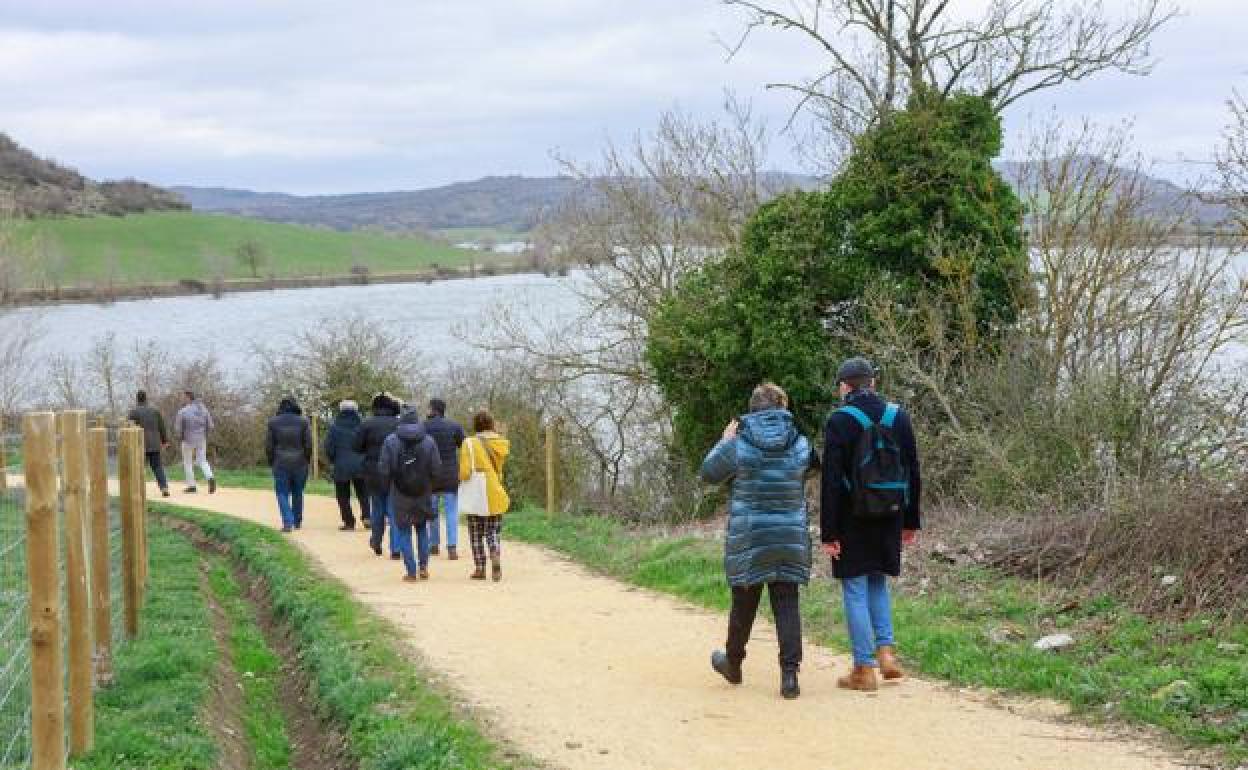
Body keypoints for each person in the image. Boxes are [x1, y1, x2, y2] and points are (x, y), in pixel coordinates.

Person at [701, 382, 817, 700]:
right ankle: (789, 676)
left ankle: (733, 664)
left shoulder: (738, 443)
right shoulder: (800, 442)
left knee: (743, 602)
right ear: (783, 407)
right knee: (787, 603)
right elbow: (812, 467)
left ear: (752, 409)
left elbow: (708, 472)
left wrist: (725, 439)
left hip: (749, 536)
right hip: (789, 534)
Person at [820, 357, 922, 692]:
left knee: (855, 587)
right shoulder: (898, 416)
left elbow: (831, 480)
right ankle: (887, 653)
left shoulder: (839, 420)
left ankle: (863, 669)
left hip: (853, 518)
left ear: (844, 387)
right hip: (891, 514)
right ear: (872, 383)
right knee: (877, 580)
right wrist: (911, 520)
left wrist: (829, 532)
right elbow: (913, 471)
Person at [378, 410, 441, 581]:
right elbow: (436, 468)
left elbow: (384, 469)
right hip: (423, 490)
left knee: (404, 530)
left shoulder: (391, 440)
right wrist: (432, 487)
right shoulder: (429, 441)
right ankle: (423, 567)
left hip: (399, 492)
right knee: (421, 528)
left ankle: (411, 571)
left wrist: (386, 488)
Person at [458, 410, 510, 581]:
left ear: (475, 425)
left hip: (475, 494)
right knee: (492, 531)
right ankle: (494, 552)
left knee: (475, 533)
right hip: (494, 491)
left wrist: (459, 479)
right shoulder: (500, 443)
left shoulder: (469, 443)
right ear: (491, 424)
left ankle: (480, 568)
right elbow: (499, 471)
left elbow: (465, 473)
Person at [355, 393, 401, 558]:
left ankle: (376, 541)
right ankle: (396, 548)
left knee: (377, 508)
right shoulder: (398, 424)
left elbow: (356, 446)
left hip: (373, 472)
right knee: (394, 509)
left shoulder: (366, 424)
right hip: (395, 471)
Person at [424, 397, 465, 560]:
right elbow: (464, 446)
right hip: (450, 475)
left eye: (428, 408)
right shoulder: (454, 426)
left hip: (431, 475)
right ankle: (452, 546)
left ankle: (434, 544)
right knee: (451, 512)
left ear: (433, 409)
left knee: (432, 511)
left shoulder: (423, 427)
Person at [266, 397, 313, 533]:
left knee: (282, 492)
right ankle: (297, 521)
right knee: (298, 491)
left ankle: (287, 522)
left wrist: (271, 461)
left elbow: (269, 446)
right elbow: (308, 444)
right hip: (300, 462)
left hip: (280, 462)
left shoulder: (273, 422)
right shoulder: (304, 422)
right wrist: (306, 459)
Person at [324, 400, 370, 531]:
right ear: (356, 410)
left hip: (341, 464)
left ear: (341, 410)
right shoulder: (362, 426)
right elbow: (368, 444)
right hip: (361, 463)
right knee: (363, 493)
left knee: (342, 495)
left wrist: (333, 460)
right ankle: (367, 516)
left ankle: (349, 522)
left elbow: (329, 447)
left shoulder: (334, 427)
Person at [127, 390, 171, 498]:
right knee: (157, 467)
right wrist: (165, 441)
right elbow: (161, 427)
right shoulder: (155, 411)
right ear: (146, 398)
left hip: (140, 444)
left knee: (140, 467)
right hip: (154, 443)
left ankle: (139, 490)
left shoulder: (133, 412)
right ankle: (164, 488)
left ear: (137, 399)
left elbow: (129, 428)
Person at [174, 390, 216, 494]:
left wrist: (181, 437)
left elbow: (178, 428)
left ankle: (192, 486)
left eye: (184, 397)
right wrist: (204, 434)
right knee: (202, 460)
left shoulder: (183, 411)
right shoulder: (204, 410)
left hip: (188, 440)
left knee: (188, 463)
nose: (183, 399)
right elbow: (211, 425)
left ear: (188, 398)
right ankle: (210, 477)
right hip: (201, 439)